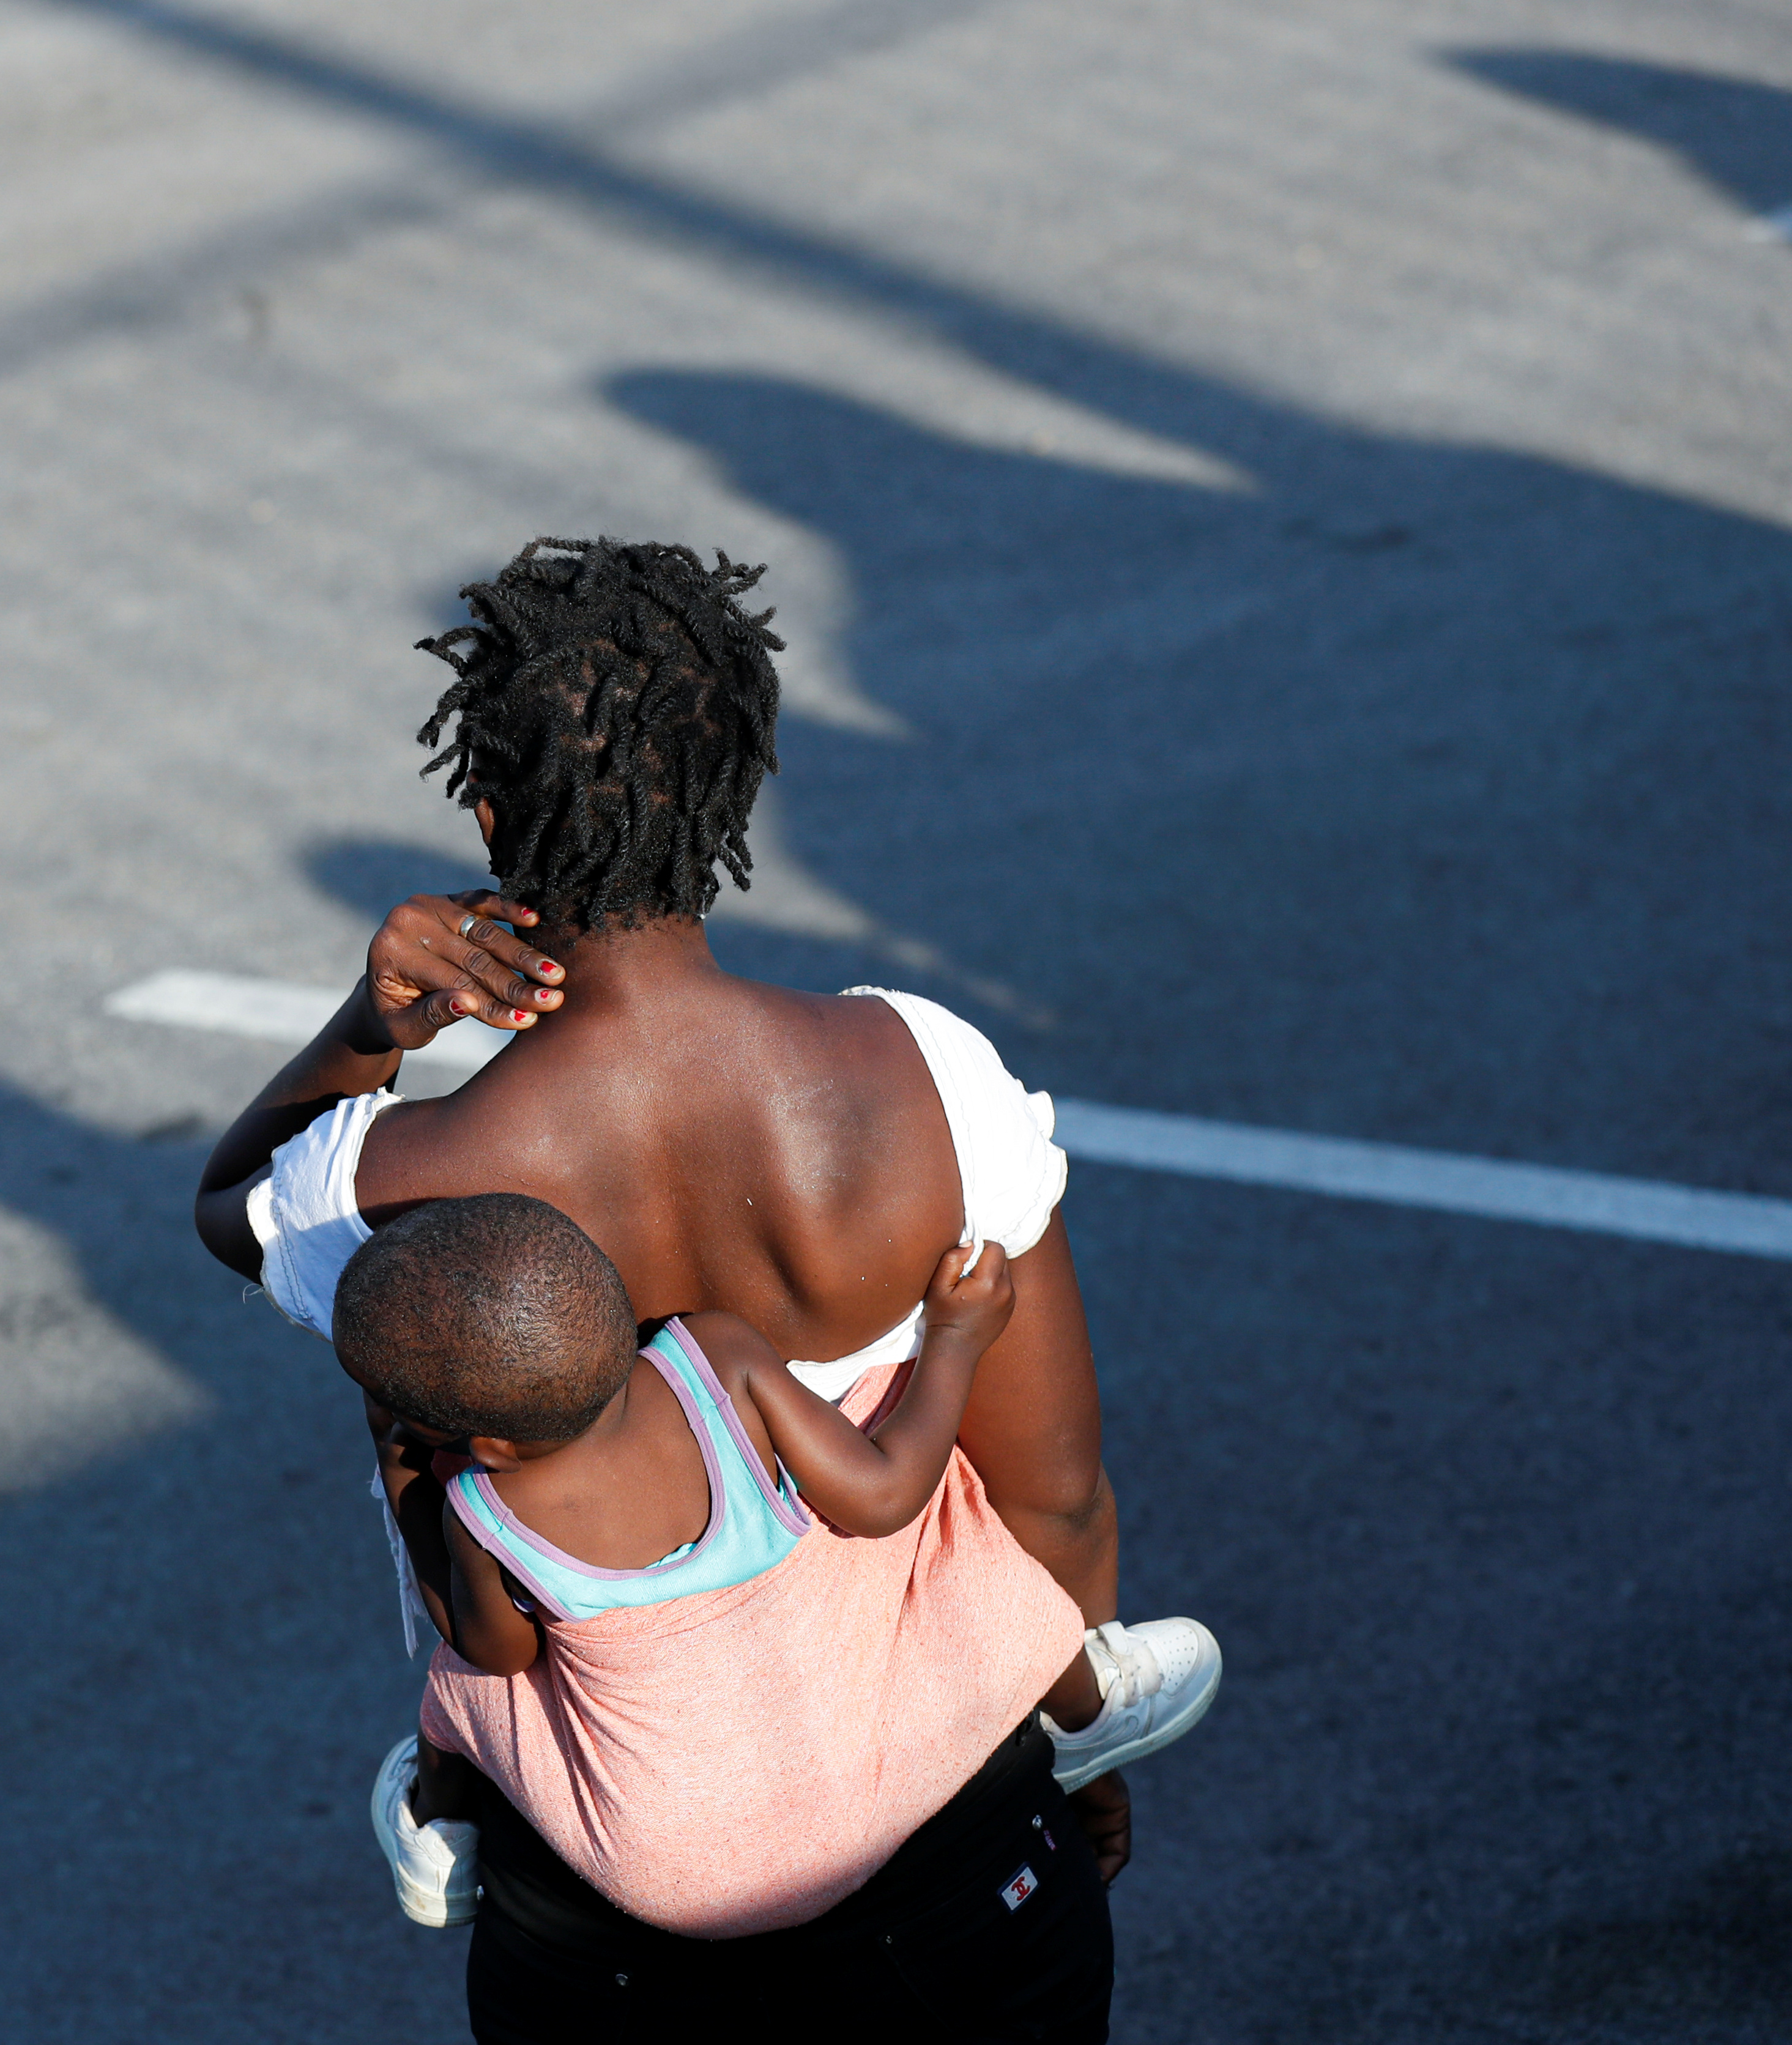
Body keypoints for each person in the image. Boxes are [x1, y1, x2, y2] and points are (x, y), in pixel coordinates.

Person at [191, 537, 1217, 1885]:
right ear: (733, 790)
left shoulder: (375, 1188)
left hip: (611, 1881)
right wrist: (1083, 1758)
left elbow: (231, 1205)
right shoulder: (930, 1078)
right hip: (959, 1837)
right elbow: (1057, 1502)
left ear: (491, 823)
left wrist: (370, 1022)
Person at [332, 1192, 1116, 2038]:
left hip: (669, 1872)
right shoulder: (716, 1355)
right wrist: (957, 1338)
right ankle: (1109, 1699)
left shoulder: (483, 1512)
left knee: (466, 1693)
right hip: (881, 1808)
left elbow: (495, 1651)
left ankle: (440, 1824)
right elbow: (887, 1496)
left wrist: (401, 1467)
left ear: (483, 1445)